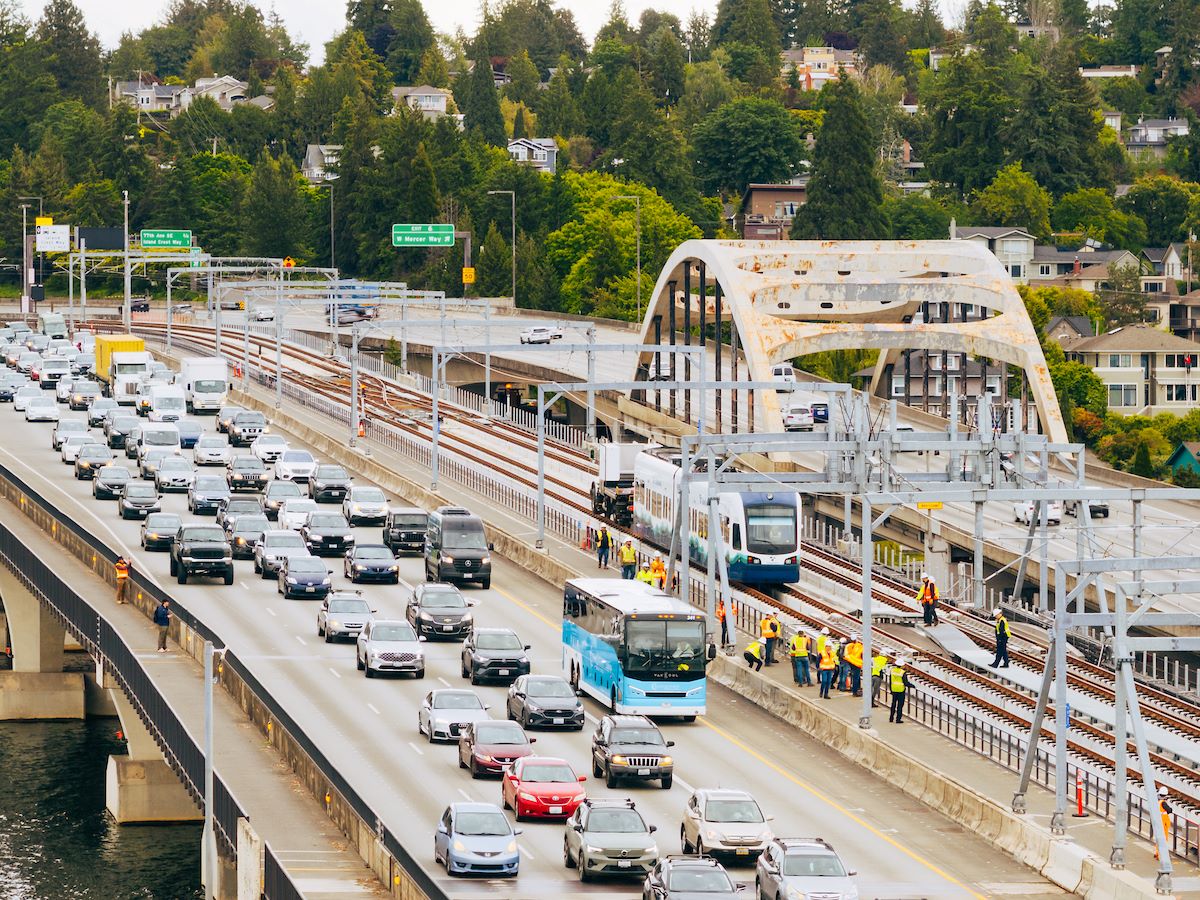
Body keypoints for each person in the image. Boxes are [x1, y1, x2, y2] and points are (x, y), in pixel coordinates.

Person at [888, 657, 910, 723]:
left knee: (893, 704)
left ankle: (891, 718)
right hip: (901, 690)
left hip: (894, 689)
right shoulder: (903, 672)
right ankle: (898, 719)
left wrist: (891, 689)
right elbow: (905, 683)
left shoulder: (892, 671)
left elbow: (890, 680)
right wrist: (912, 686)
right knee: (900, 705)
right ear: (902, 665)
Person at [1156, 787, 1173, 859]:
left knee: (1159, 838)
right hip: (1164, 822)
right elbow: (1170, 810)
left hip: (1159, 821)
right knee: (1164, 839)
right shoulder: (1163, 803)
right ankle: (1161, 855)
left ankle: (1157, 853)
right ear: (1165, 795)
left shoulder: (1158, 801)